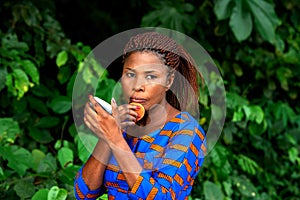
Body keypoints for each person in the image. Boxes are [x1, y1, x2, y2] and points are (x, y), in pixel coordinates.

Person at [74, 31, 207, 200]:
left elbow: (161, 197)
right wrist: (108, 137)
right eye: (130, 74)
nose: (137, 86)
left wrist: (116, 140)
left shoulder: (186, 132)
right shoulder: (122, 123)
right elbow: (83, 194)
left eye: (150, 76)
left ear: (169, 81)